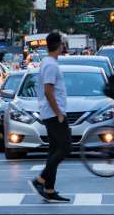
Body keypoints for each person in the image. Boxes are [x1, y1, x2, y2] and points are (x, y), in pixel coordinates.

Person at [28, 32, 70, 203]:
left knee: (54, 150)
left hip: (50, 112)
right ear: (59, 45)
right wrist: (59, 112)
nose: (65, 46)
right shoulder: (51, 65)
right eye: (63, 43)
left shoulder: (48, 62)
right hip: (54, 114)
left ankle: (49, 190)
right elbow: (48, 90)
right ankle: (40, 180)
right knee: (66, 148)